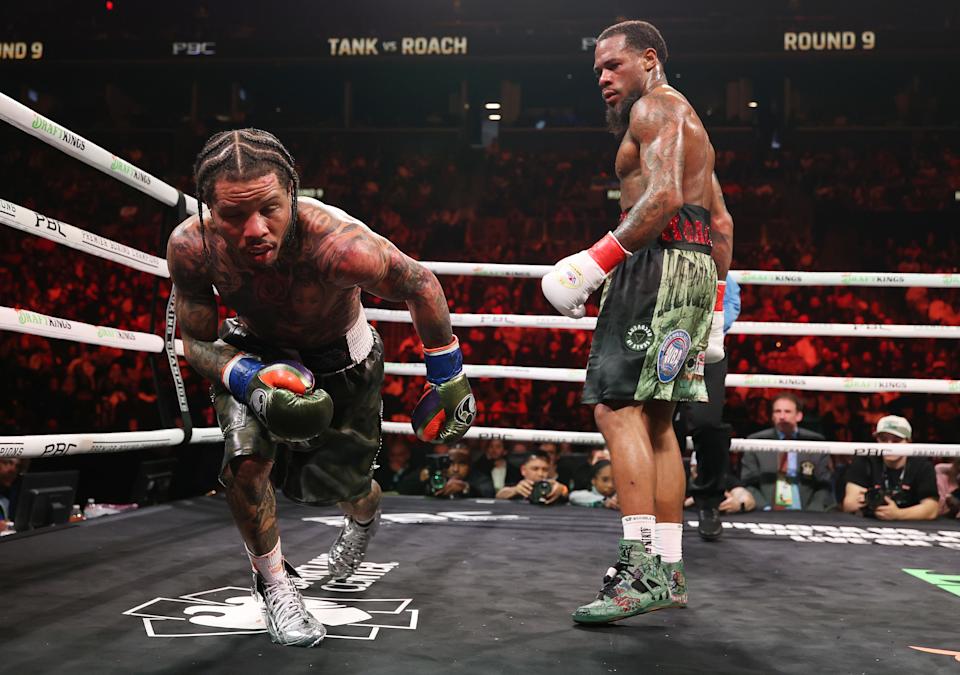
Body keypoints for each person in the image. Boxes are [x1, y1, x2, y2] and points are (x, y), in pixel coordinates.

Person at [167, 128, 475, 648]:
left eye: (269, 208)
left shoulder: (340, 247)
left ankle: (361, 515)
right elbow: (193, 341)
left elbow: (421, 284)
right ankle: (274, 583)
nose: (254, 230)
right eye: (233, 215)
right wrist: (249, 378)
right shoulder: (192, 247)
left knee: (340, 490)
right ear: (207, 210)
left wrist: (449, 377)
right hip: (253, 351)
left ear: (293, 195)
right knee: (245, 466)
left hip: (342, 361)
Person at [540, 20, 732, 623]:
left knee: (615, 407)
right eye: (597, 70)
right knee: (655, 420)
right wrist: (717, 308)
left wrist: (591, 265)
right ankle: (669, 569)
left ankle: (638, 569)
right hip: (694, 267)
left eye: (612, 66)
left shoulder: (656, 109)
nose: (601, 79)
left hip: (656, 267)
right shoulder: (688, 119)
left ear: (648, 60)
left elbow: (663, 197)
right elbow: (721, 221)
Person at [676, 274, 740, 540]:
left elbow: (731, 305)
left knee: (709, 424)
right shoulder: (660, 257)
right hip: (662, 347)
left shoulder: (719, 266)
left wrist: (700, 330)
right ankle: (664, 500)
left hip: (707, 351)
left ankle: (709, 502)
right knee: (663, 426)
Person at [735, 393, 834, 512]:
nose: (782, 416)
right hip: (766, 511)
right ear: (772, 416)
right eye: (777, 411)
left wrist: (813, 511)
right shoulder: (756, 441)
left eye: (787, 411)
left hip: (807, 511)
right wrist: (764, 508)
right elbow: (748, 483)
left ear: (799, 416)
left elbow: (824, 484)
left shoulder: (815, 441)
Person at [842, 415, 939, 521]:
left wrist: (898, 514)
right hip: (870, 523)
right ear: (877, 440)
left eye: (896, 440)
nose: (889, 445)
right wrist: (871, 500)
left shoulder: (922, 466)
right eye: (883, 439)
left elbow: (932, 509)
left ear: (908, 442)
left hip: (911, 526)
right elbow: (849, 504)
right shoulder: (865, 460)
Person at [496, 451, 569, 504]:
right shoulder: (519, 486)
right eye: (535, 469)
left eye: (545, 469)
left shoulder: (552, 487)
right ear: (523, 470)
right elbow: (499, 495)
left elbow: (567, 493)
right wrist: (515, 490)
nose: (540, 474)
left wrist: (562, 489)